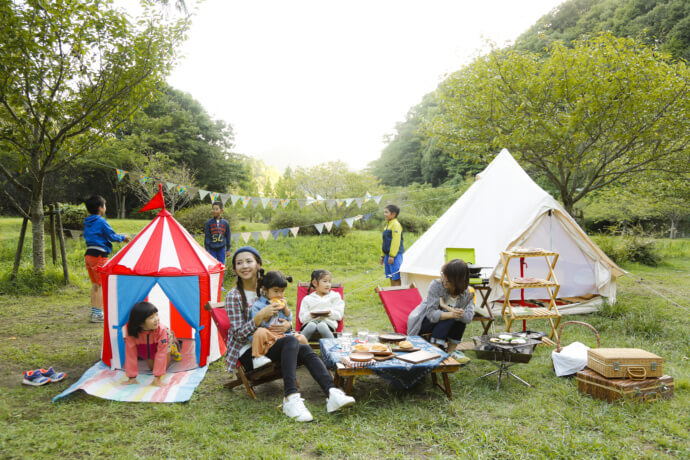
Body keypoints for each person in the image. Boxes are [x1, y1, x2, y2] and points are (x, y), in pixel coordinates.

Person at [225, 246, 355, 422]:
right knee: (292, 343)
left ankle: (332, 393)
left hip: (276, 342)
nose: (244, 266)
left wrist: (287, 324)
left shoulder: (269, 287)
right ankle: (290, 398)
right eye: (239, 263)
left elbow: (282, 320)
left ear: (258, 264)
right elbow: (238, 335)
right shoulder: (234, 296)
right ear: (234, 269)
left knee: (298, 341)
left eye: (249, 261)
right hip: (251, 352)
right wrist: (258, 318)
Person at [406, 259, 474, 362]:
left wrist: (458, 313)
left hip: (445, 326)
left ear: (457, 281)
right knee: (451, 316)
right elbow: (431, 314)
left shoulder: (467, 293)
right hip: (424, 321)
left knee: (459, 318)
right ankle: (434, 350)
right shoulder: (436, 285)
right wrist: (451, 314)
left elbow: (468, 318)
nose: (443, 280)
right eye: (443, 275)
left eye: (447, 279)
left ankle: (451, 352)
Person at [83, 195, 130, 323]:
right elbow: (111, 236)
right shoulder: (101, 221)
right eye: (104, 205)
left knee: (95, 285)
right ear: (100, 208)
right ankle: (98, 315)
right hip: (99, 256)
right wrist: (123, 238)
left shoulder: (87, 222)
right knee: (101, 285)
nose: (105, 207)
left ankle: (95, 313)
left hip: (89, 255)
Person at [250, 270, 308, 369]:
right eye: (276, 291)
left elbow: (288, 319)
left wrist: (285, 310)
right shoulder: (258, 305)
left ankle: (306, 357)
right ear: (264, 289)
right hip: (269, 337)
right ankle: (257, 357)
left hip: (283, 335)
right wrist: (267, 314)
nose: (280, 295)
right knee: (260, 332)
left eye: (282, 291)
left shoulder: (281, 303)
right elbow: (258, 324)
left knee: (301, 338)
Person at [124, 301, 181, 387]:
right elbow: (130, 355)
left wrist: (157, 378)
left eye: (156, 315)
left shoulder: (161, 330)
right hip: (146, 344)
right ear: (140, 322)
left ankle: (173, 346)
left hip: (165, 338)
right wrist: (131, 377)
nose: (156, 319)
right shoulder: (132, 333)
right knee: (152, 368)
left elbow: (161, 354)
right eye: (151, 317)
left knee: (163, 367)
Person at [298, 269, 344, 341]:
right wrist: (310, 315)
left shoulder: (335, 296)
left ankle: (333, 346)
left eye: (329, 281)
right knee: (311, 325)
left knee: (322, 326)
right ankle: (298, 346)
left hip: (328, 324)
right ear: (315, 283)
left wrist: (330, 313)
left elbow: (339, 315)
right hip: (310, 322)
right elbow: (302, 318)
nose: (328, 284)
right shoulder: (307, 299)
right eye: (325, 281)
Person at [380, 204, 403, 286]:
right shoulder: (387, 225)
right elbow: (385, 242)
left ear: (393, 214)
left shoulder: (396, 225)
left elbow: (396, 241)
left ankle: (397, 296)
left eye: (386, 212)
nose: (384, 214)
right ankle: (393, 295)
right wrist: (382, 256)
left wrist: (392, 255)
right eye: (384, 212)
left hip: (395, 256)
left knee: (396, 277)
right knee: (390, 276)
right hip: (387, 255)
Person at [204, 201, 231, 265]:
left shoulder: (226, 223)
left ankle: (221, 275)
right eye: (213, 209)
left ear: (221, 211)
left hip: (221, 248)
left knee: (221, 265)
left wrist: (228, 249)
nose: (214, 211)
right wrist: (207, 249)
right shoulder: (208, 223)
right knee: (211, 265)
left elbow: (228, 236)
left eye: (216, 209)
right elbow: (207, 237)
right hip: (211, 249)